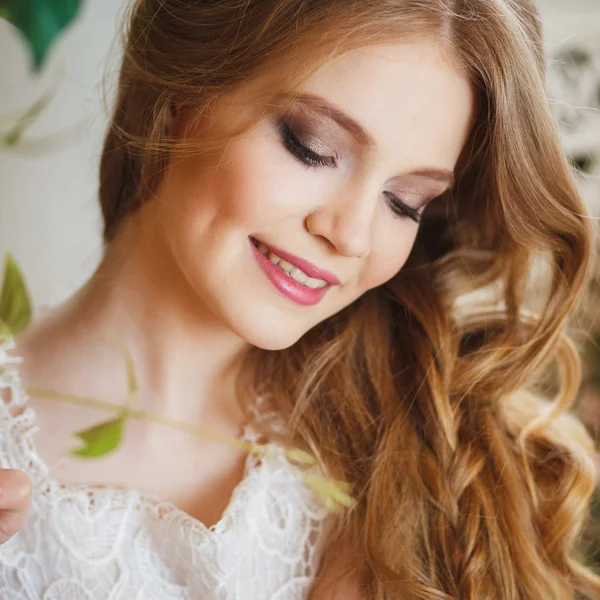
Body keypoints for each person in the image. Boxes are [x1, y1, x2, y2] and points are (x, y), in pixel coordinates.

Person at [0, 0, 599, 598]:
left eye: (404, 202)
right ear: (180, 98)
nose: (353, 235)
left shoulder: (432, 459)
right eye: (311, 146)